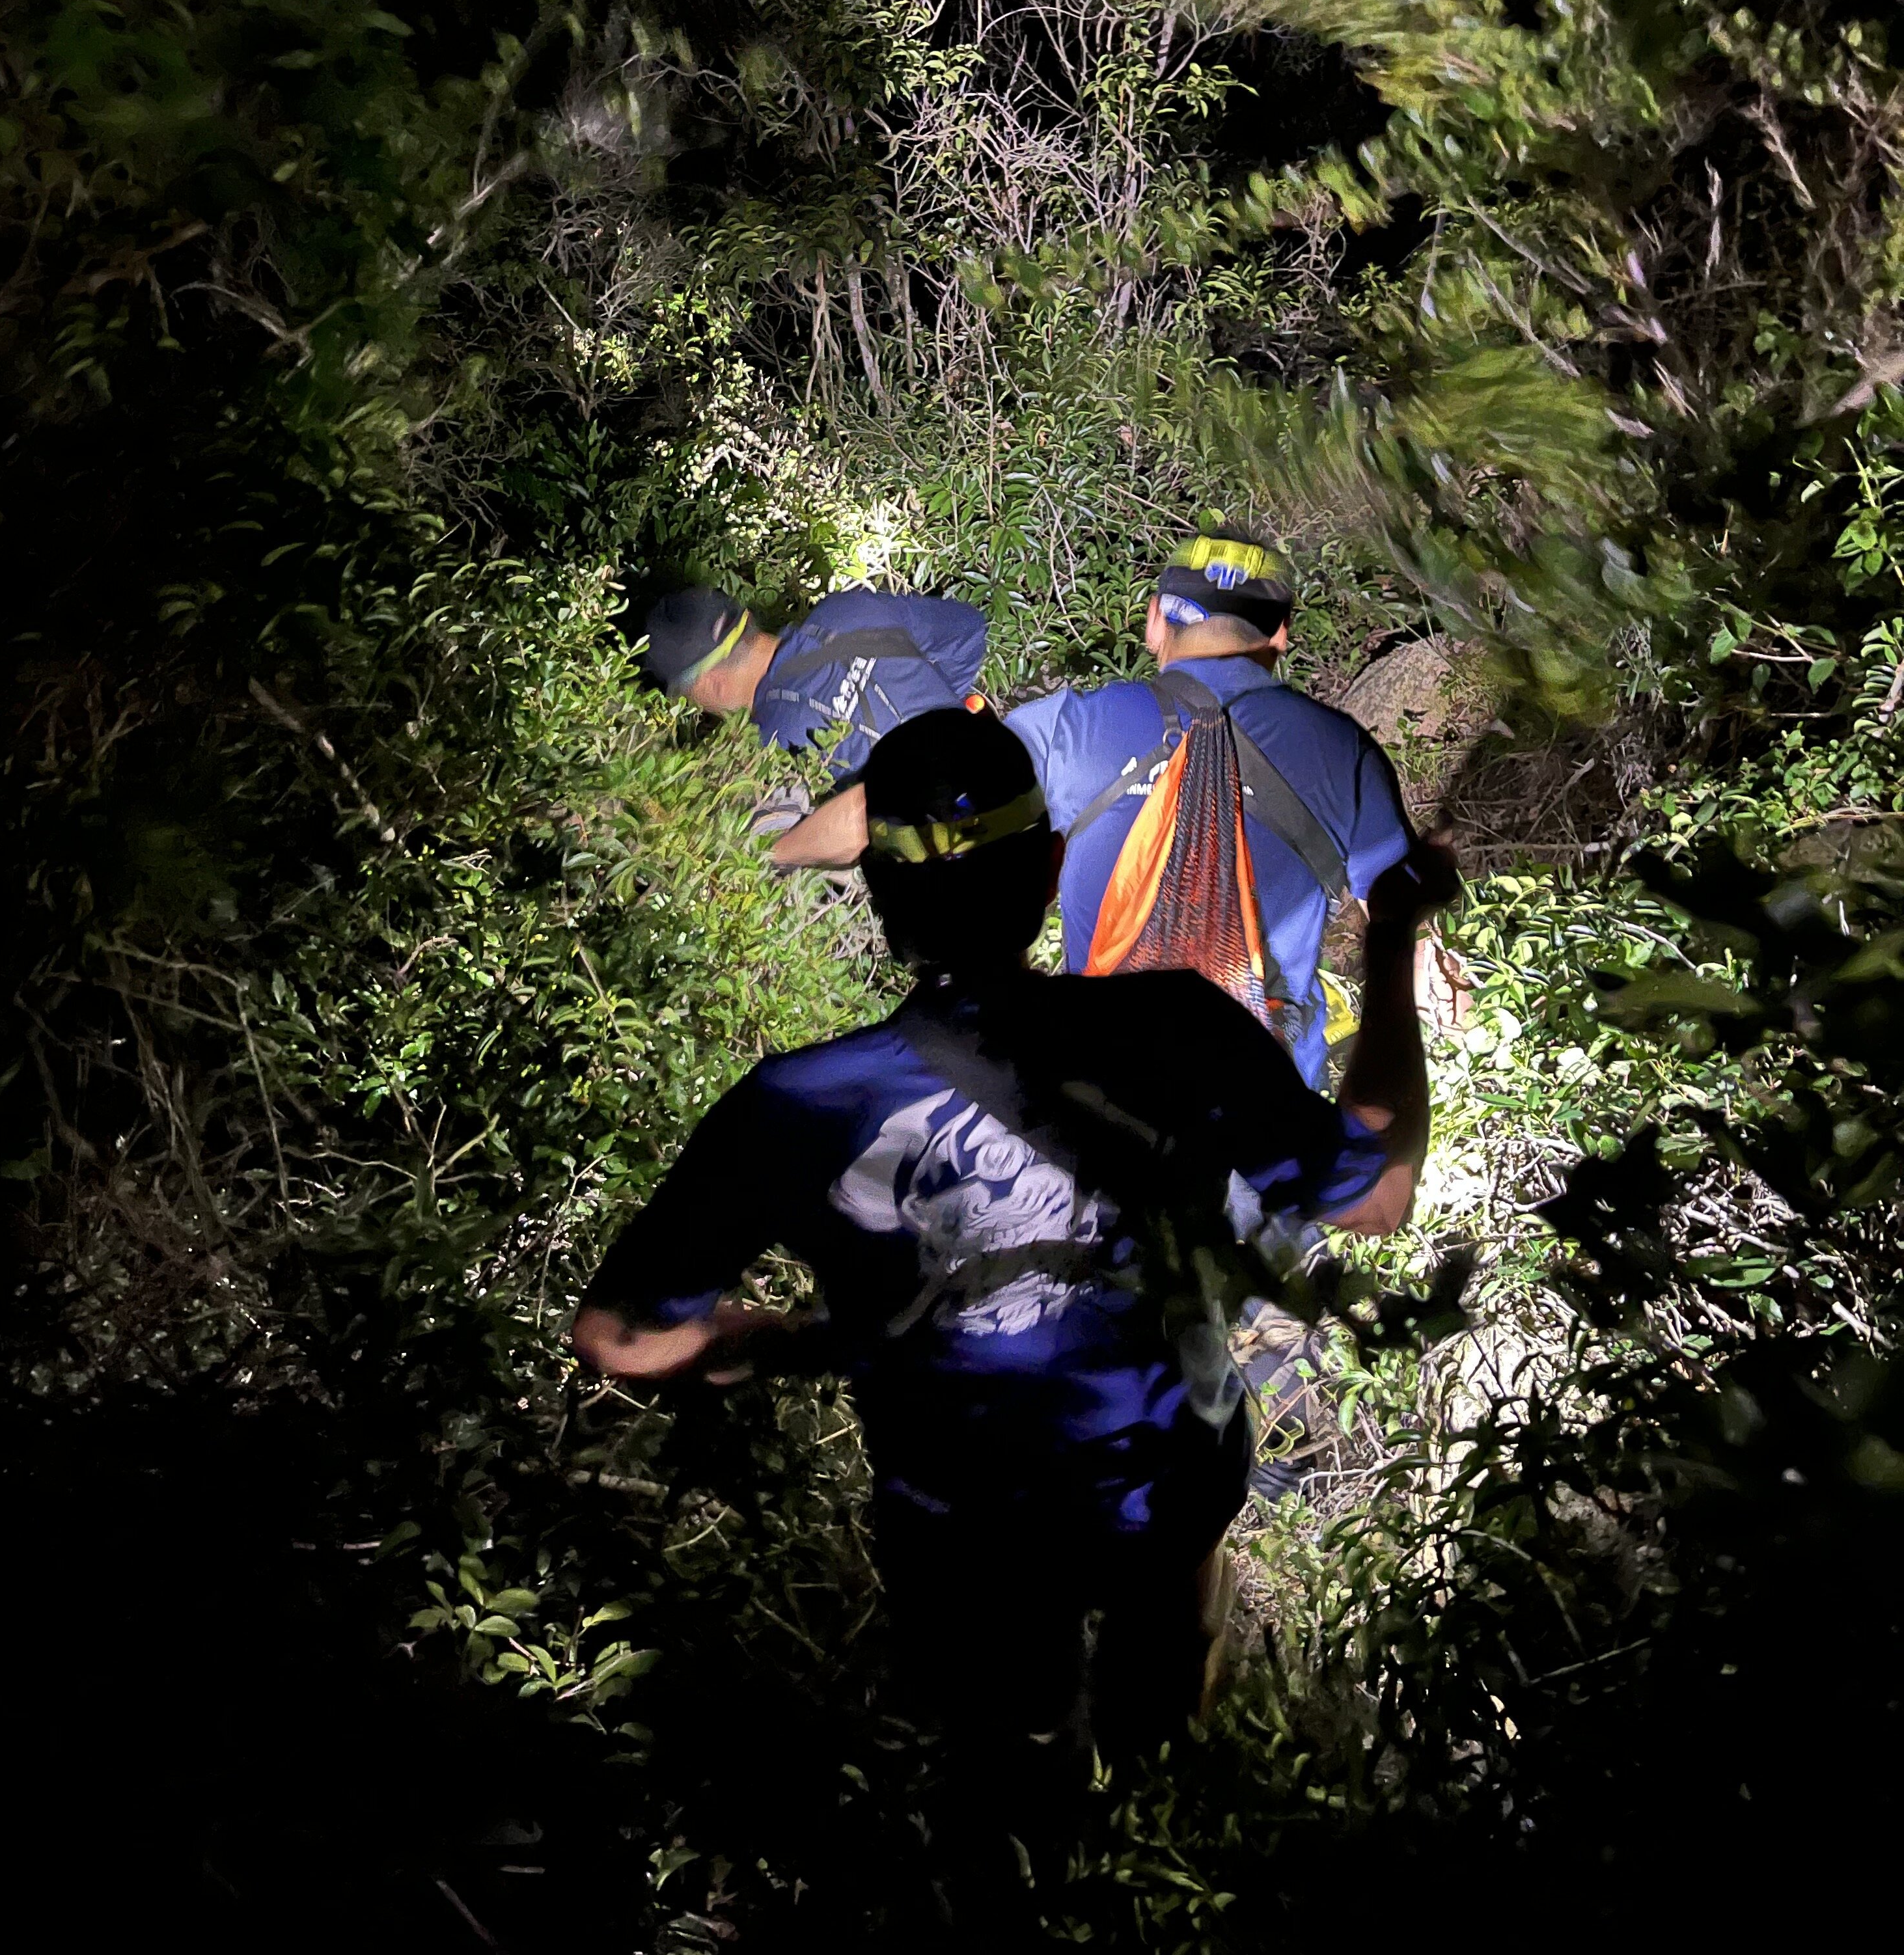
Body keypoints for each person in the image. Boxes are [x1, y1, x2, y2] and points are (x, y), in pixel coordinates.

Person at [573, 708, 1457, 1896]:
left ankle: (1028, 1875)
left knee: (1009, 1768)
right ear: (1048, 869)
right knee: (1165, 1694)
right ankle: (1159, 1856)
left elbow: (617, 1333)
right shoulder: (1172, 1026)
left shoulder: (797, 1102)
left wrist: (787, 1343)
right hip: (1162, 1482)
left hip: (961, 1529)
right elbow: (1378, 1190)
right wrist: (1393, 940)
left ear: (880, 895)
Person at [1004, 528, 1413, 1095]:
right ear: (1281, 633)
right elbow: (1399, 920)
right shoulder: (1343, 752)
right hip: (1268, 1106)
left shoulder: (1062, 732)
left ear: (1154, 621)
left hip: (1104, 1100)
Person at [639, 581, 989, 868]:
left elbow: (858, 817)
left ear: (709, 684)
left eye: (687, 697)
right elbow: (968, 632)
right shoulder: (848, 611)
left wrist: (773, 856)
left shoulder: (772, 748)